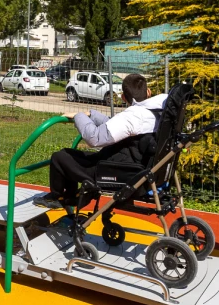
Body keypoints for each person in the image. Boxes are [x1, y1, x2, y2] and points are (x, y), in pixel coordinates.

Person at [33, 74, 166, 210]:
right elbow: (117, 126)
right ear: (148, 92)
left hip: (114, 172)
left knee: (59, 157)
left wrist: (78, 116)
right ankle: (72, 196)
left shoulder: (133, 116)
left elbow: (94, 138)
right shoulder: (156, 113)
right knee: (67, 154)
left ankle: (59, 197)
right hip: (131, 167)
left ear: (123, 97)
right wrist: (92, 114)